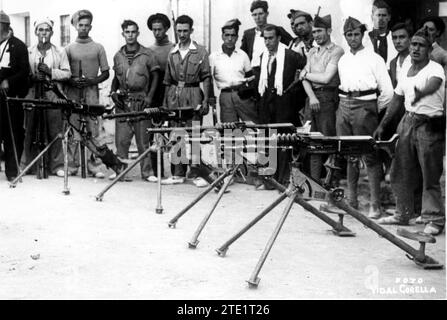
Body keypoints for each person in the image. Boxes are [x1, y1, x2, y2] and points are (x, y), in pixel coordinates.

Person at [374, 28, 445, 235]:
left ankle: (435, 219)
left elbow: (434, 84)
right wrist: (382, 125)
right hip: (408, 122)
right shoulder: (406, 68)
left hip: (429, 126)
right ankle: (403, 212)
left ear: (428, 49)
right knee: (401, 170)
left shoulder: (435, 69)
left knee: (430, 174)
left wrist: (421, 92)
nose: (415, 48)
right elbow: (397, 98)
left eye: (420, 45)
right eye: (413, 44)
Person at [337, 16, 393, 218]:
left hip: (366, 106)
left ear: (363, 35)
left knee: (370, 156)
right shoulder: (343, 60)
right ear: (345, 37)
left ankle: (375, 205)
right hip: (344, 105)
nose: (353, 38)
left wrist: (371, 110)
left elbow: (387, 93)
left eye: (356, 34)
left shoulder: (374, 59)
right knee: (350, 156)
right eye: (349, 35)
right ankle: (352, 201)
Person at [161, 15, 214, 187]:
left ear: (191, 30)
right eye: (179, 31)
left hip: (193, 93)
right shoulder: (172, 52)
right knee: (177, 133)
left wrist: (206, 100)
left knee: (194, 133)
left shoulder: (200, 51)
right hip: (175, 94)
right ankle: (178, 173)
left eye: (185, 31)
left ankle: (198, 173)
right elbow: (168, 80)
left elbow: (206, 77)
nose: (182, 34)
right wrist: (165, 103)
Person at [110, 20, 160, 182]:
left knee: (143, 140)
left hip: (141, 100)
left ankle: (147, 172)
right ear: (123, 34)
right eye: (127, 32)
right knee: (122, 140)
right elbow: (116, 78)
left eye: (133, 32)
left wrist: (150, 97)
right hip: (124, 102)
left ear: (138, 33)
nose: (130, 35)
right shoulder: (118, 55)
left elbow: (156, 76)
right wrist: (113, 92)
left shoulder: (147, 54)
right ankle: (120, 171)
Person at [258, 24, 306, 187]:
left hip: (284, 106)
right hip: (267, 105)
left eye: (271, 38)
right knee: (268, 141)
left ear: (278, 38)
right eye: (265, 38)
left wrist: (293, 102)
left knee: (284, 142)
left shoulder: (291, 56)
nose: (268, 41)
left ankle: (283, 180)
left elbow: (303, 77)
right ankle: (269, 180)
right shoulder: (263, 56)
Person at [22, 18, 71, 177]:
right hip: (33, 93)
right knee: (30, 129)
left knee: (55, 128)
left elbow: (67, 73)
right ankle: (27, 164)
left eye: (47, 30)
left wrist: (50, 72)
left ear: (52, 32)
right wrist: (33, 77)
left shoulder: (59, 52)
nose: (44, 33)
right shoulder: (29, 51)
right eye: (41, 30)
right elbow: (24, 73)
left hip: (53, 93)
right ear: (36, 32)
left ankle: (56, 165)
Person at [298, 14, 344, 181]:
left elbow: (326, 78)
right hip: (312, 100)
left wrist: (306, 74)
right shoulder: (311, 51)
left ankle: (331, 182)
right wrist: (312, 97)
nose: (316, 35)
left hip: (328, 98)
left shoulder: (337, 51)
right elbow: (303, 80)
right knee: (312, 142)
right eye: (314, 31)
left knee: (328, 141)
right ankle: (314, 183)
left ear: (329, 31)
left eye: (319, 31)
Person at [64, 9, 110, 178]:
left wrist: (92, 81)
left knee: (93, 128)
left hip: (91, 92)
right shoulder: (68, 48)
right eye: (80, 25)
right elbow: (64, 72)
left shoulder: (98, 47)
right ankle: (73, 165)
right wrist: (72, 80)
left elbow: (106, 72)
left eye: (86, 25)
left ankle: (94, 166)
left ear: (90, 27)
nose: (83, 28)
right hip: (73, 92)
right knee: (73, 127)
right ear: (76, 26)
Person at [0, 10, 30, 182]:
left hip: (11, 98)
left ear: (4, 27)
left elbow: (24, 71)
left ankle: (12, 170)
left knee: (13, 134)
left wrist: (9, 82)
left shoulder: (18, 46)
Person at [209, 19, 258, 123]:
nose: (230, 39)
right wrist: (210, 96)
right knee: (229, 131)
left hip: (242, 95)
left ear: (237, 37)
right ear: (222, 36)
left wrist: (251, 95)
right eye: (227, 35)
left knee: (253, 127)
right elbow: (209, 79)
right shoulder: (214, 57)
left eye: (233, 35)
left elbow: (251, 77)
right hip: (225, 96)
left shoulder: (243, 55)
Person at [241, 0, 292, 67]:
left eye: (260, 14)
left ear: (267, 14)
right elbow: (243, 54)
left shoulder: (277, 29)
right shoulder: (248, 34)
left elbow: (292, 44)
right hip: (254, 71)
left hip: (273, 70)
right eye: (254, 15)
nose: (258, 17)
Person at [147, 13, 175, 108]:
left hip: (171, 90)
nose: (157, 33)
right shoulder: (148, 50)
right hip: (153, 92)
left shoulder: (174, 48)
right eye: (154, 30)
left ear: (166, 29)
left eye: (159, 29)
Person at [367, 0, 397, 69]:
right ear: (372, 17)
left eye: (384, 15)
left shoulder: (394, 38)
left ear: (389, 17)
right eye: (378, 15)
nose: (380, 18)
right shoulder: (365, 39)